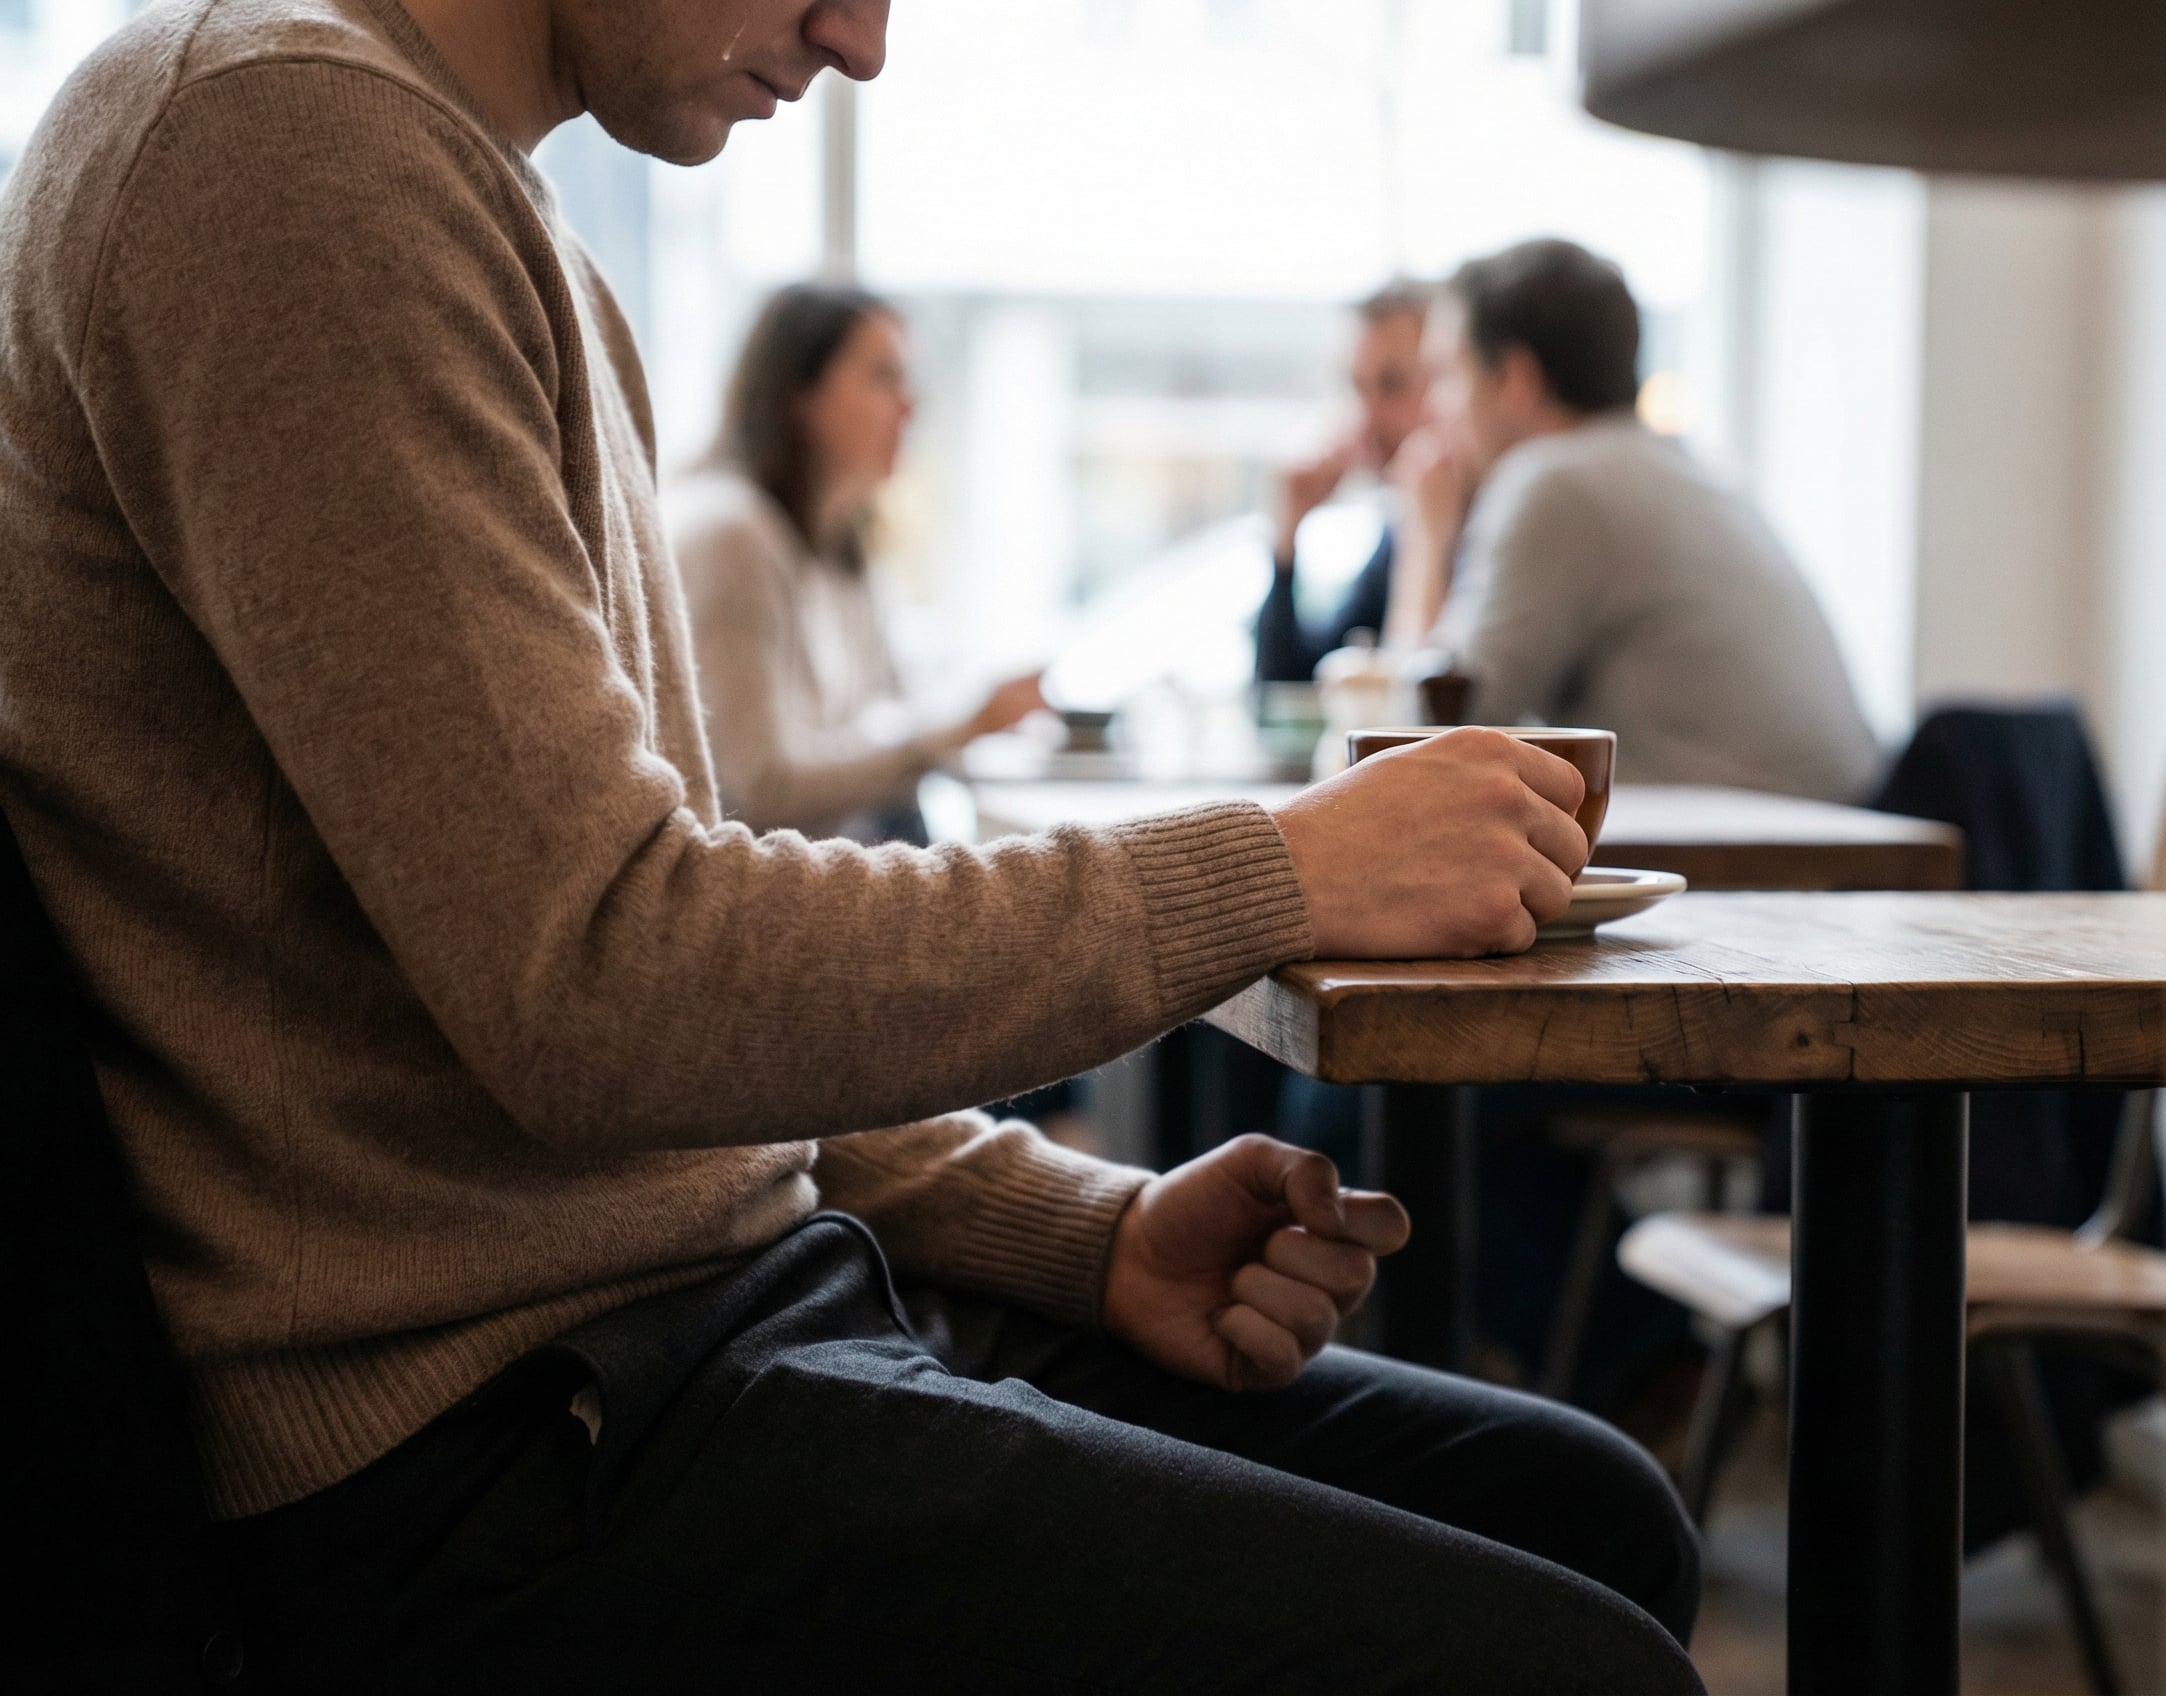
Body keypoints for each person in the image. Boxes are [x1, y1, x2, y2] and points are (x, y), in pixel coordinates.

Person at [0, 0, 1704, 1689]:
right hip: (490, 1442)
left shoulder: (500, 223)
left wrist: (1072, 1230)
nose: (859, 41)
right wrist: (1277, 871)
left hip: (697, 1317)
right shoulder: (279, 144)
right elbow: (600, 979)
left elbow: (649, 1001)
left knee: (1588, 1512)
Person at [1394, 237, 1882, 803]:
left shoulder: (1557, 482)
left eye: (1450, 376)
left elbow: (1432, 740)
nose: (1435, 409)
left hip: (1744, 840)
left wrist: (1424, 540)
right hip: (1839, 817)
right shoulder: (1682, 466)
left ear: (1517, 381)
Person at [671, 284, 1043, 844]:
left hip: (837, 862)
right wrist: (961, 725)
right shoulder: (731, 534)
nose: (909, 406)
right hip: (769, 892)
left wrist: (969, 715)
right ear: (800, 394)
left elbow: (890, 704)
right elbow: (759, 788)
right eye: (883, 377)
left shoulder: (841, 539)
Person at [1252, 280, 1432, 684]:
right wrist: (1285, 543)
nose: (1365, 415)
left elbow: (1423, 711)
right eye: (1357, 386)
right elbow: (1295, 688)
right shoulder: (1399, 527)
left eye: (1392, 385)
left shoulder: (1484, 523)